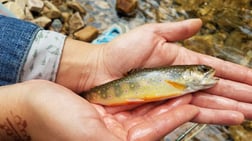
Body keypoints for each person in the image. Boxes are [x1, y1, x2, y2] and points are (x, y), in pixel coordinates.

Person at [0, 14, 252, 141]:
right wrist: (26, 112)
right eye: (201, 71)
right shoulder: (180, 83)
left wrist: (92, 63)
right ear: (188, 74)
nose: (207, 73)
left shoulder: (181, 83)